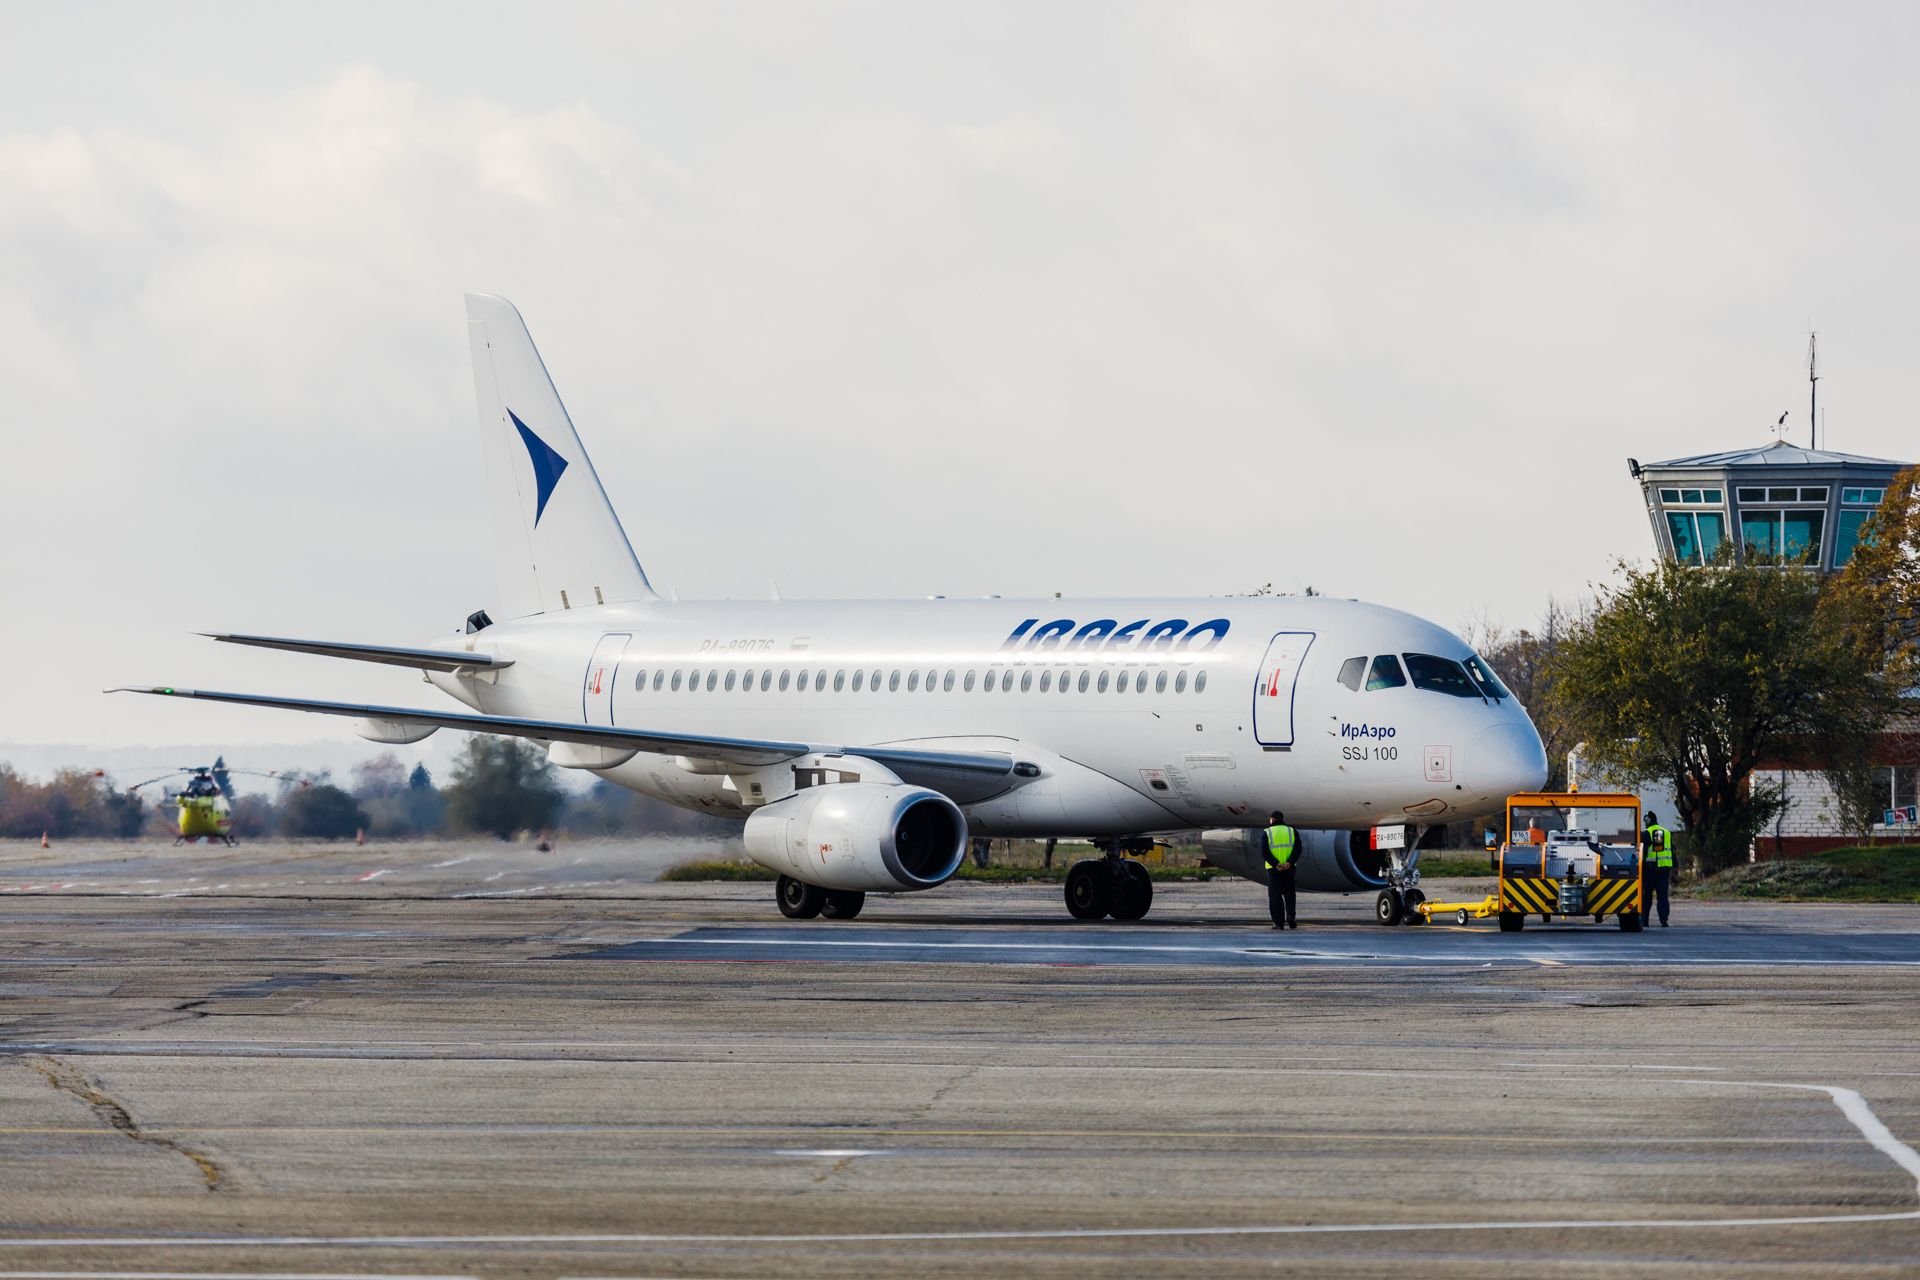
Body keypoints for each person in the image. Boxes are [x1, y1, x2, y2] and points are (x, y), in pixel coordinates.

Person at [1264, 810, 1299, 929]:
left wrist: (1276, 864)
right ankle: (1291, 917)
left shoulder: (1268, 832)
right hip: (1289, 868)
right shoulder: (1291, 831)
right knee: (1290, 894)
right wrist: (1290, 862)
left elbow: (1265, 852)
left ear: (1272, 819)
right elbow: (1298, 849)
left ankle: (1279, 923)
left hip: (1274, 870)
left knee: (1275, 896)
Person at [1642, 811, 1673, 927]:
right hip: (1664, 869)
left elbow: (1654, 849)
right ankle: (1664, 920)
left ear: (1648, 821)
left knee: (1646, 896)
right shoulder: (1666, 832)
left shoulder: (1651, 832)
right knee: (1663, 897)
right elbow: (1671, 852)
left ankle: (1645, 920)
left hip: (1651, 870)